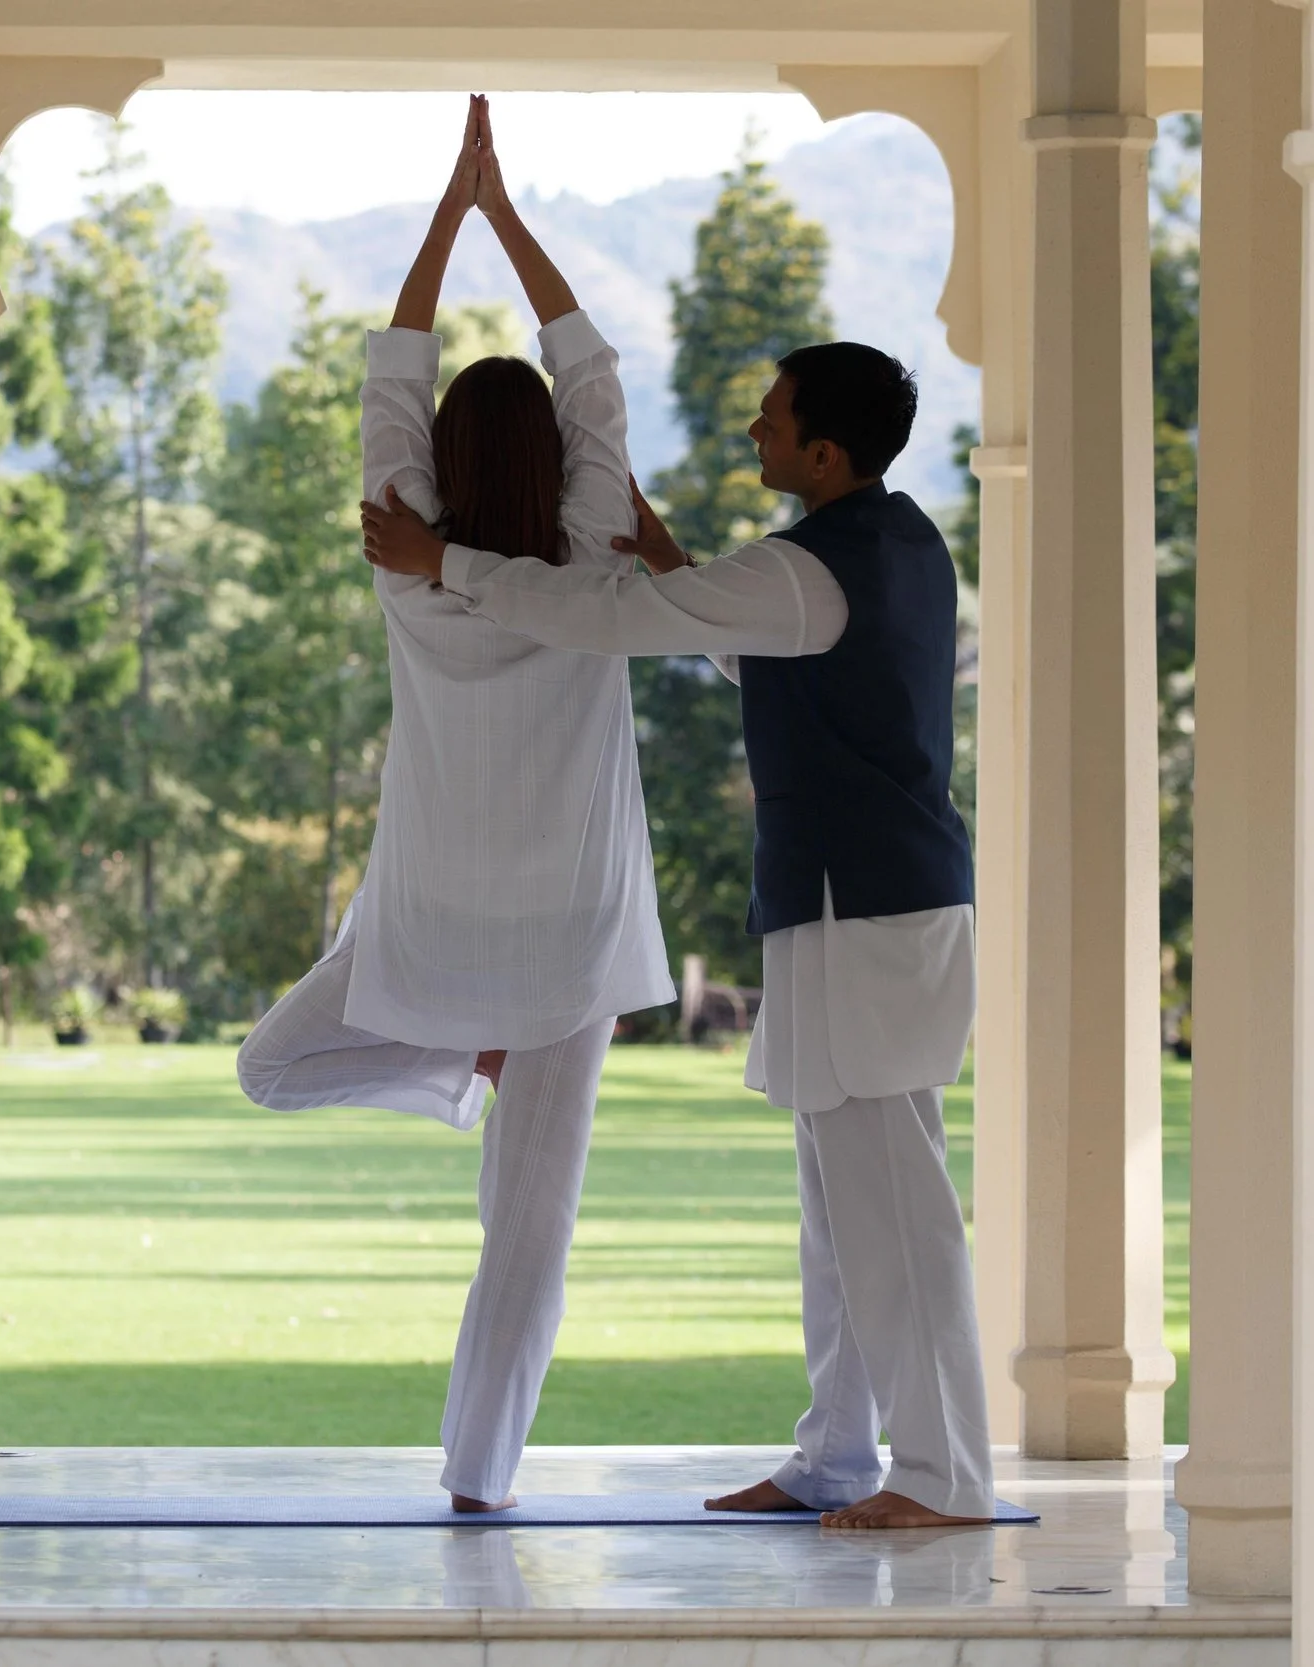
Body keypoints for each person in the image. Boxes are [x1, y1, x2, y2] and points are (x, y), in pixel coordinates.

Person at [358, 343, 992, 1532]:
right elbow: (757, 649)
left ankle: (945, 1476)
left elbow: (609, 619)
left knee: (896, 1206)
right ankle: (839, 1456)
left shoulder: (806, 567)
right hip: (845, 910)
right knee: (840, 1205)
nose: (753, 426)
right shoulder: (893, 544)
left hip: (869, 914)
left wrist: (443, 558)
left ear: (824, 450)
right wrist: (672, 563)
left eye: (773, 416)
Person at [234, 96, 671, 1513]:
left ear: (439, 460)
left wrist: (452, 210)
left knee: (270, 1065)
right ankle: (479, 1480)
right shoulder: (598, 543)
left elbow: (390, 376)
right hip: (569, 934)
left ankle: (446, 1064)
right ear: (554, 466)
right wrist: (514, 220)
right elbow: (593, 374)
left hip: (429, 918)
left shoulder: (403, 557)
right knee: (529, 1237)